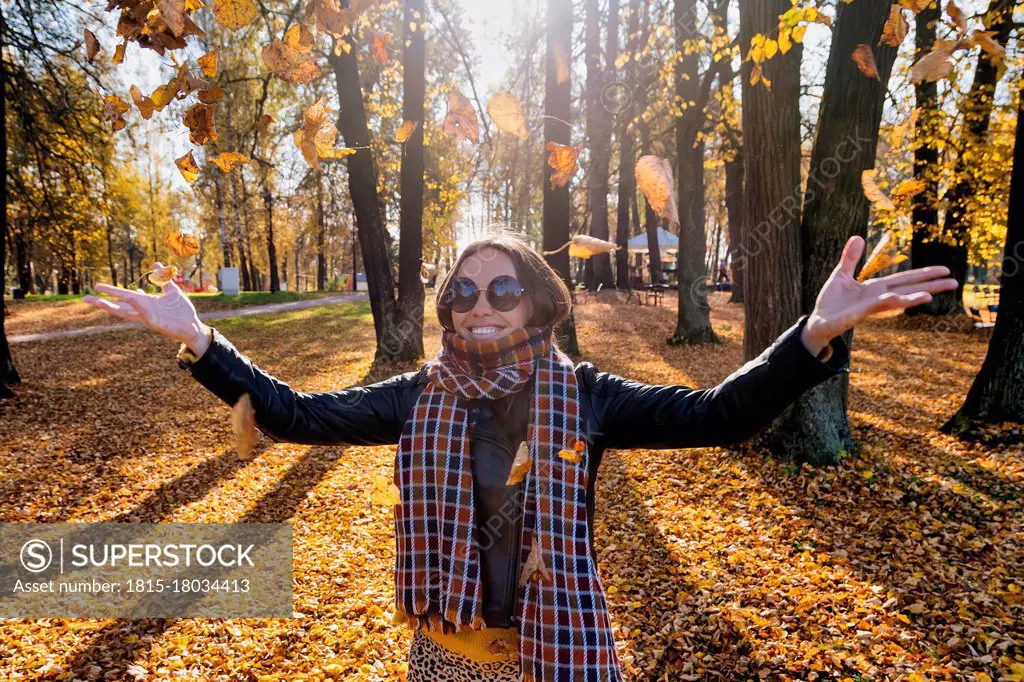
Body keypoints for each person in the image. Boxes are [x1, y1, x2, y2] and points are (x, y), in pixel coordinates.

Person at [84, 233, 957, 681]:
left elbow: (721, 414)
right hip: (446, 653)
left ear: (538, 301)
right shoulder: (418, 396)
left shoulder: (588, 396)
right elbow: (296, 414)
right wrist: (203, 343)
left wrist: (811, 337)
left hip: (557, 649)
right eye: (462, 293)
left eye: (501, 289)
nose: (479, 307)